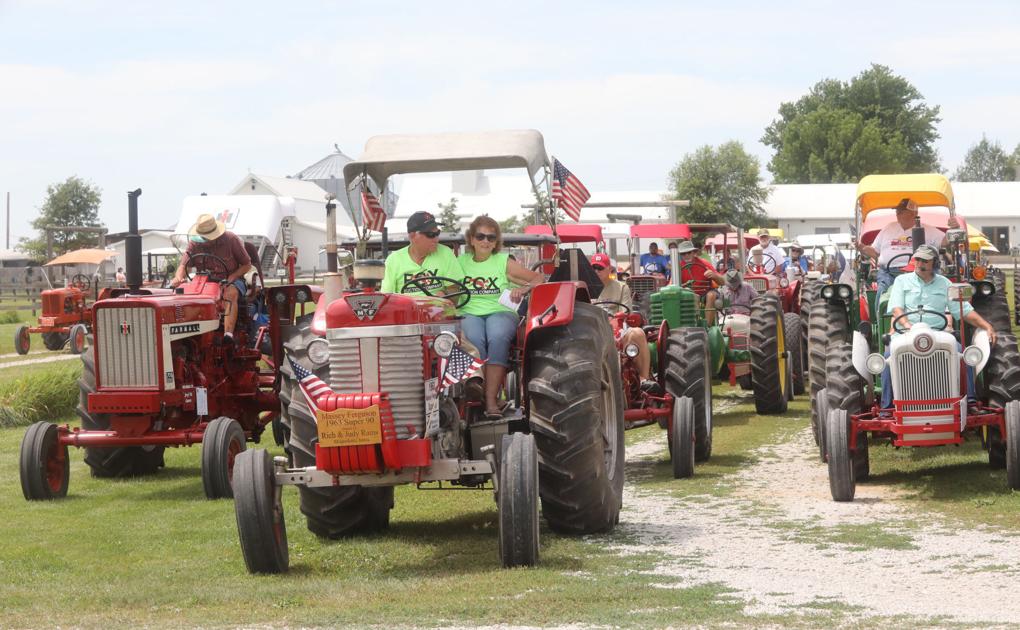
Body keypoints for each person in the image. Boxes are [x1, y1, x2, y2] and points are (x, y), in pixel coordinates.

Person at [879, 244, 997, 408]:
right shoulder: (901, 281)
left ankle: (970, 400)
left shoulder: (945, 284)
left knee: (963, 353)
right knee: (887, 357)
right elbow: (897, 309)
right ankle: (886, 406)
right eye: (918, 259)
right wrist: (908, 325)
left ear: (934, 263)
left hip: (938, 333)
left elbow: (963, 311)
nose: (920, 263)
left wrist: (986, 325)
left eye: (925, 260)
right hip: (906, 333)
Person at [457, 216, 544, 417]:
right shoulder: (460, 262)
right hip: (469, 311)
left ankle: (489, 401)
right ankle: (485, 397)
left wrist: (523, 289)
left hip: (501, 310)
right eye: (480, 236)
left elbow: (538, 278)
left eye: (491, 237)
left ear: (496, 242)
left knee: (496, 336)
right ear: (471, 239)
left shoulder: (503, 261)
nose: (485, 241)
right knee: (474, 339)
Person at [170, 213, 252, 343]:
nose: (208, 240)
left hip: (231, 280)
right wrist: (178, 278)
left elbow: (247, 264)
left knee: (230, 293)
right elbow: (183, 266)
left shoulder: (230, 239)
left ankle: (228, 334)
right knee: (180, 294)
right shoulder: (194, 244)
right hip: (204, 284)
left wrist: (233, 276)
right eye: (205, 237)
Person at [856, 198, 957, 299]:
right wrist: (862, 248)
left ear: (913, 213)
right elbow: (875, 252)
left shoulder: (928, 230)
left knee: (933, 293)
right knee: (882, 291)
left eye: (901, 211)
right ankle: (880, 313)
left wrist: (953, 229)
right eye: (897, 211)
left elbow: (945, 242)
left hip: (919, 271)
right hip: (889, 272)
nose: (897, 213)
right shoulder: (888, 228)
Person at [590, 253, 656, 390]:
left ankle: (644, 379)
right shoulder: (586, 290)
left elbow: (625, 313)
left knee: (637, 332)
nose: (596, 272)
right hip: (594, 330)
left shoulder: (621, 287)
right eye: (594, 268)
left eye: (600, 268)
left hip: (617, 330)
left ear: (609, 269)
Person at [381, 211, 462, 295]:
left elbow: (455, 289)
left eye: (437, 233)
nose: (436, 239)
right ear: (412, 236)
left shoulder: (445, 253)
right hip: (406, 308)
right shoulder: (394, 260)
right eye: (430, 234)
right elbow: (386, 296)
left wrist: (445, 293)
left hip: (438, 307)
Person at [677, 240, 723, 325]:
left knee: (711, 295)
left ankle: (707, 327)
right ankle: (688, 324)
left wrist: (714, 275)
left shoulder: (704, 263)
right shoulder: (678, 268)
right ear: (681, 255)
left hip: (706, 292)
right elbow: (672, 285)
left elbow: (722, 282)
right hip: (689, 294)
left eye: (689, 252)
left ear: (694, 252)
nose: (686, 255)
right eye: (683, 254)